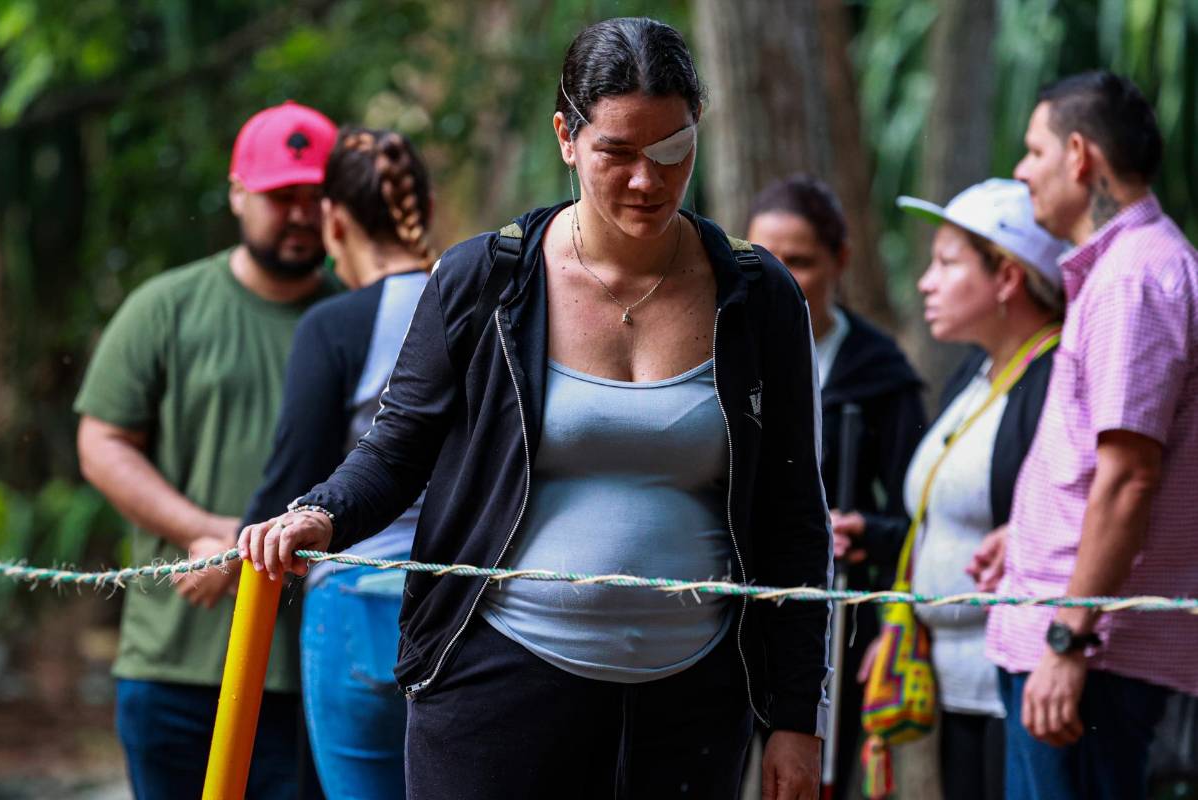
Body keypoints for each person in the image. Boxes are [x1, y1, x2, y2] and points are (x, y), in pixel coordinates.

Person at [240, 17, 831, 800]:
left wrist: (795, 715)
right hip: (497, 682)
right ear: (566, 136)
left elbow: (794, 513)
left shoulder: (760, 298)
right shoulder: (484, 280)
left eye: (671, 151)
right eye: (616, 153)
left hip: (692, 703)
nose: (646, 181)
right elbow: (395, 449)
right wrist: (321, 514)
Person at [74, 101, 338, 799]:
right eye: (283, 196)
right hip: (175, 660)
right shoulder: (165, 308)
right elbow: (101, 443)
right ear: (238, 195)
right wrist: (210, 533)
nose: (303, 214)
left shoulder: (362, 320)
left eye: (318, 196)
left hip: (314, 667)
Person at [978, 70, 1198, 799]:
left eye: (1032, 151)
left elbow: (1131, 477)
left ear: (1078, 155)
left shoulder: (1135, 278)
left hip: (1090, 658)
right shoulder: (1122, 271)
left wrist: (1070, 639)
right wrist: (1029, 532)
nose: (1020, 170)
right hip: (1068, 643)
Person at [241, 127, 435, 800]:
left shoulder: (333, 324)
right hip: (462, 608)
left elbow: (291, 481)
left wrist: (239, 541)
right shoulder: (484, 307)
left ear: (335, 219)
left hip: (352, 602)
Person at [889, 178, 1068, 800]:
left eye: (946, 263)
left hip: (1018, 680)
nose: (925, 282)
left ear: (1008, 278)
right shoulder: (973, 372)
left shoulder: (1054, 380)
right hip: (955, 683)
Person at [747, 176, 925, 799]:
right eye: (769, 259)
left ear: (841, 261)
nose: (784, 277)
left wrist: (865, 533)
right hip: (728, 603)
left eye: (801, 261)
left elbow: (915, 514)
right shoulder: (718, 345)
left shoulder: (880, 371)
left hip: (838, 618)